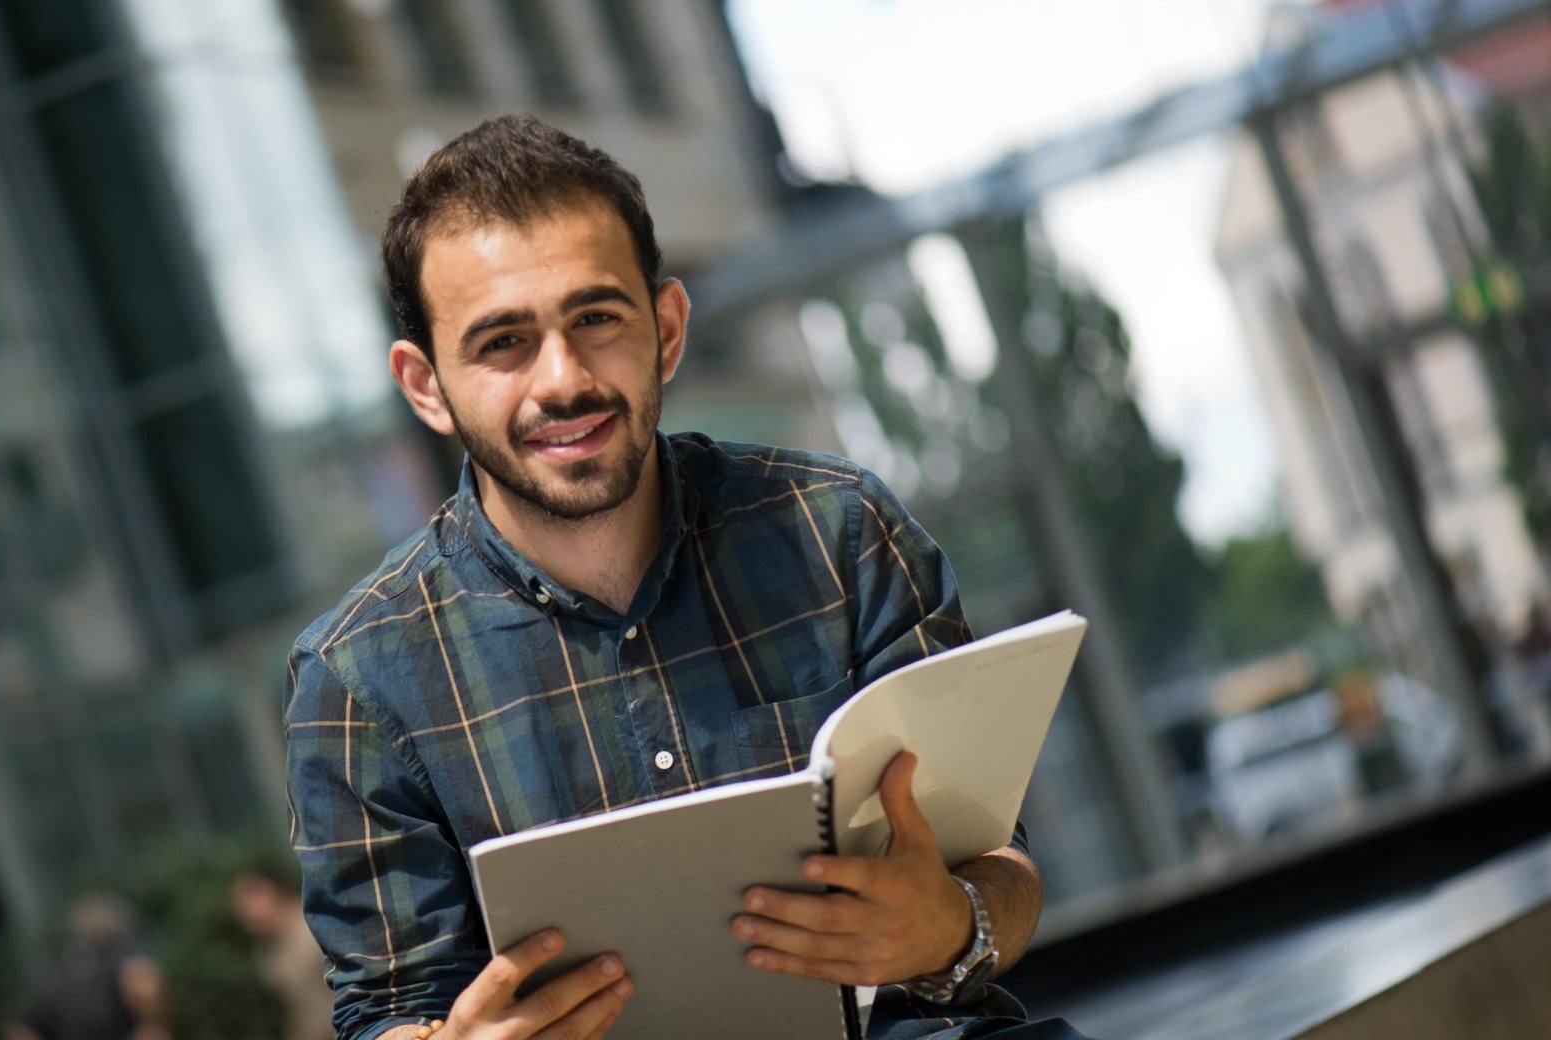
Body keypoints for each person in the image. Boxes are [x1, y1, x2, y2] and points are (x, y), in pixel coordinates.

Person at [285, 114, 1090, 1040]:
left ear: (666, 328)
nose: (563, 379)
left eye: (595, 318)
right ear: (427, 385)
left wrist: (955, 925)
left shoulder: (838, 532)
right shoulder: (356, 682)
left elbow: (1001, 866)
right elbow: (389, 1010)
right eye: (503, 342)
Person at [6, 893, 170, 1040]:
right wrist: (154, 1024)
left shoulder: (54, 977)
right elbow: (143, 986)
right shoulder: (122, 956)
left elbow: (20, 1031)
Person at [232, 859, 337, 1040]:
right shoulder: (266, 955)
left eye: (251, 898)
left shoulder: (316, 922)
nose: (245, 913)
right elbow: (299, 1015)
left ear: (271, 890)